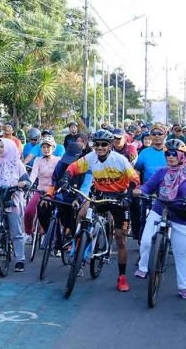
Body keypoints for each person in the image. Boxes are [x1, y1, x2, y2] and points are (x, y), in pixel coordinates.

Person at [60, 129, 140, 292]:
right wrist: (66, 179)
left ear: (110, 145)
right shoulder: (91, 157)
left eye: (104, 144)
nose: (100, 147)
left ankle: (122, 277)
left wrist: (129, 195)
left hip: (119, 198)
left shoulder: (120, 160)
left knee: (120, 238)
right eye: (96, 144)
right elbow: (73, 167)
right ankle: (78, 247)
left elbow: (135, 179)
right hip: (100, 195)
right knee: (82, 214)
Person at [133, 139, 186, 300]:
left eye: (174, 154)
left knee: (181, 253)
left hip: (181, 213)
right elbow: (149, 186)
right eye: (168, 154)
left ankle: (184, 287)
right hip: (160, 208)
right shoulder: (161, 171)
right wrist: (140, 190)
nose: (170, 157)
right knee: (145, 242)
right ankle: (143, 267)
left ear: (182, 155)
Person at [0, 139, 30, 272]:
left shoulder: (17, 164)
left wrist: (22, 184)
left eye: (2, 147)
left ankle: (20, 259)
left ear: (9, 147)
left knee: (16, 233)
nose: (0, 149)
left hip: (13, 201)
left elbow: (27, 180)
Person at [133, 124, 167, 241]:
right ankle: (143, 243)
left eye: (159, 133)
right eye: (154, 134)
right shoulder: (144, 153)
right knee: (144, 218)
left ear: (165, 135)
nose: (157, 136)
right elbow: (137, 170)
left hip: (168, 190)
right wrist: (137, 186)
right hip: (148, 190)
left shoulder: (171, 152)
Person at [23, 136, 60, 240]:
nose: (46, 149)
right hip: (40, 191)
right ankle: (29, 232)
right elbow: (33, 175)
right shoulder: (38, 160)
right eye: (43, 147)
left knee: (51, 214)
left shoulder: (58, 160)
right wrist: (28, 184)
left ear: (53, 148)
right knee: (29, 211)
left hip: (53, 193)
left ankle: (54, 239)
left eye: (48, 147)